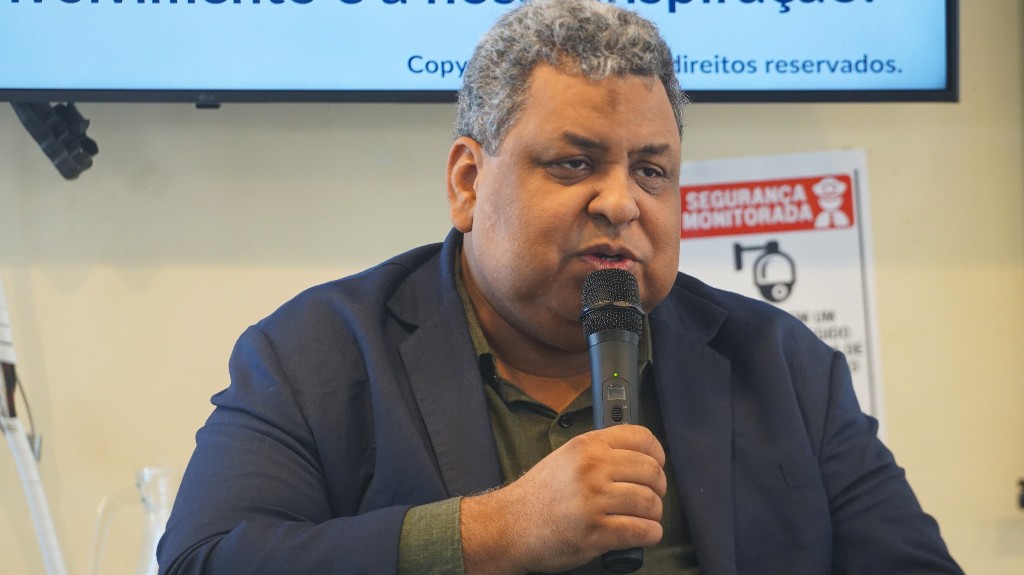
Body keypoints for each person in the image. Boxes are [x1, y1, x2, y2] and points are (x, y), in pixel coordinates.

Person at [158, 1, 964, 573]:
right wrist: (498, 530)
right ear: (468, 181)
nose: (621, 202)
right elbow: (203, 559)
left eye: (651, 171)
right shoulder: (319, 352)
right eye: (574, 163)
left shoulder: (782, 364)